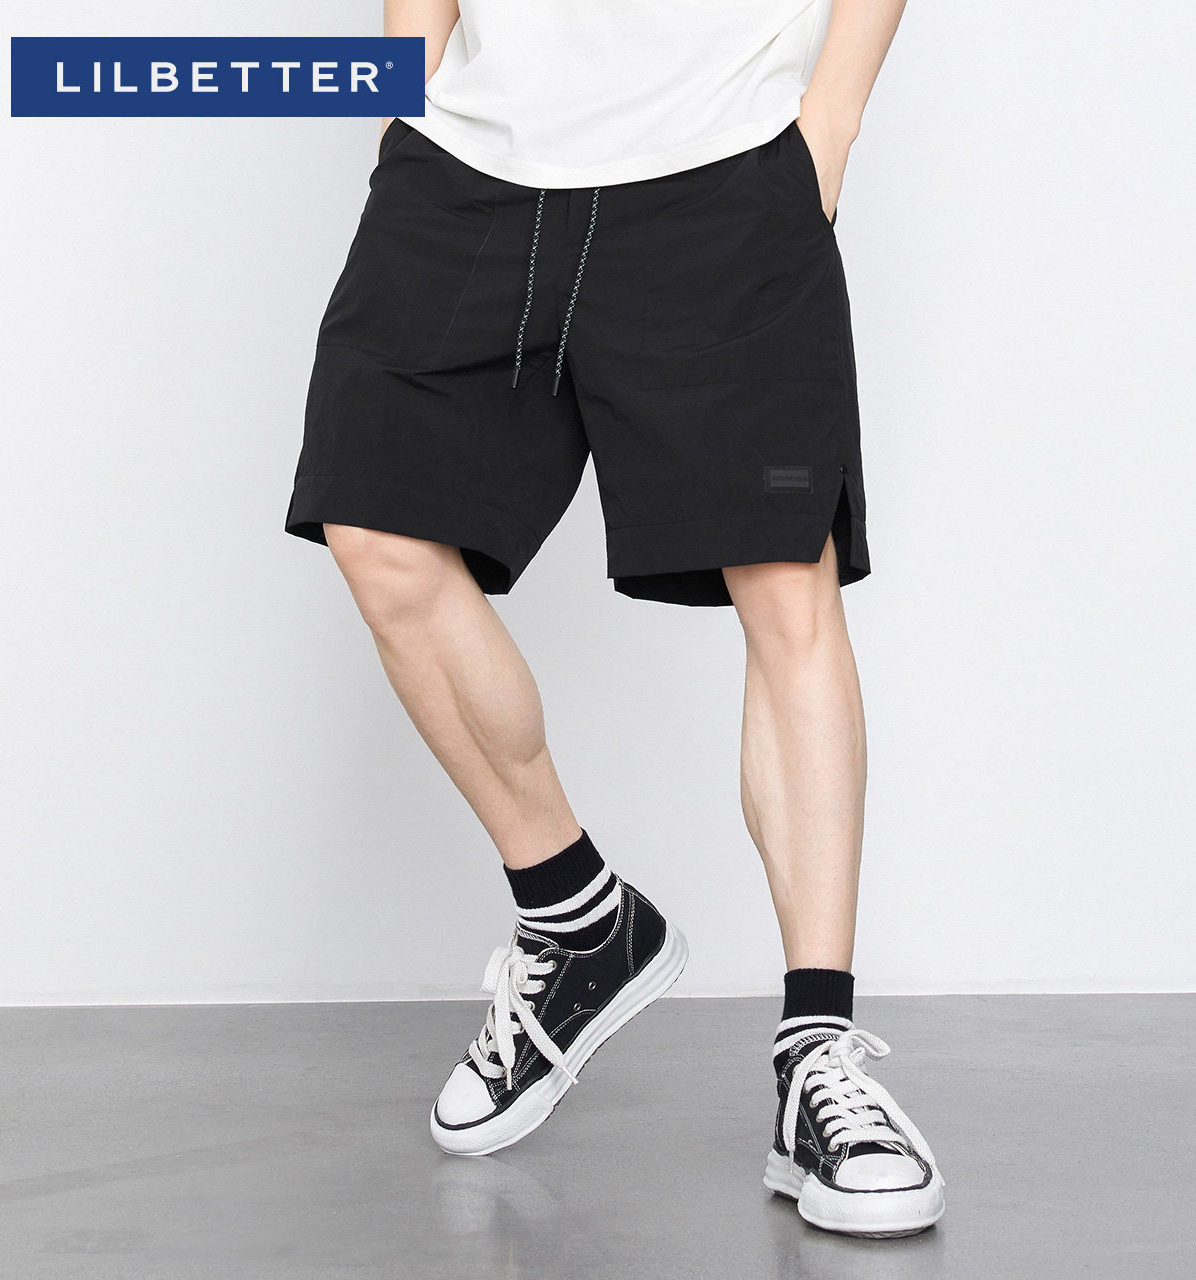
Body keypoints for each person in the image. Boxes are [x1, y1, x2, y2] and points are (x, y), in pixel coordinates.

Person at [285, 0, 943, 1238]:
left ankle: (817, 1054)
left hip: (724, 167)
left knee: (783, 582)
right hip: (468, 166)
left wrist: (830, 126)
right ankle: (580, 917)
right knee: (376, 531)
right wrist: (402, 104)